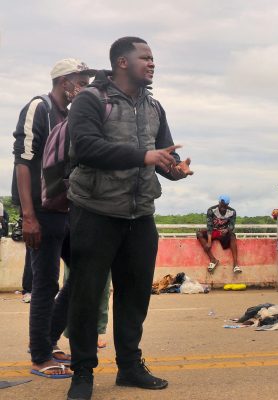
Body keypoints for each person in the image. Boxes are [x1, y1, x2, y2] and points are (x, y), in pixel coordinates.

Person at [65, 36, 193, 400]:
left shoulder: (154, 107)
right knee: (88, 295)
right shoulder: (90, 100)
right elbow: (87, 148)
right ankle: (83, 373)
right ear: (122, 62)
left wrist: (175, 169)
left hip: (140, 215)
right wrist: (145, 157)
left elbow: (160, 156)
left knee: (135, 296)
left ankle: (129, 366)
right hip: (95, 211)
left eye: (153, 58)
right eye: (145, 57)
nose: (152, 63)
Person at [12, 58, 95, 379]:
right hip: (41, 211)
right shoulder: (40, 107)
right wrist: (28, 215)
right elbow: (23, 161)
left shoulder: (72, 115)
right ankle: (40, 355)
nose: (85, 87)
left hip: (66, 208)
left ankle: (49, 340)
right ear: (65, 82)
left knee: (85, 270)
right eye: (81, 82)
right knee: (45, 282)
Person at [196, 195, 240, 273]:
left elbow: (232, 225)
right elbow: (209, 226)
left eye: (225, 206)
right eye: (221, 205)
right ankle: (213, 260)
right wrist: (209, 242)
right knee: (199, 233)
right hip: (213, 231)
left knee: (233, 236)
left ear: (228, 204)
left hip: (224, 232)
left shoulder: (232, 212)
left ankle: (236, 265)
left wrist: (227, 230)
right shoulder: (211, 210)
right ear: (219, 203)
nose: (223, 208)